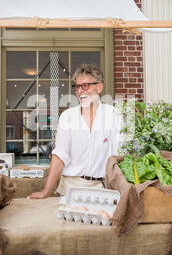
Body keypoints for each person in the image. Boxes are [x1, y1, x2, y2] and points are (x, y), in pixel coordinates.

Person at [27, 64, 123, 199]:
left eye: (85, 86)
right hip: (70, 188)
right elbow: (60, 155)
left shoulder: (114, 115)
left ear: (99, 87)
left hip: (103, 188)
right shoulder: (67, 117)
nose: (79, 91)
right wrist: (46, 191)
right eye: (77, 87)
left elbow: (119, 156)